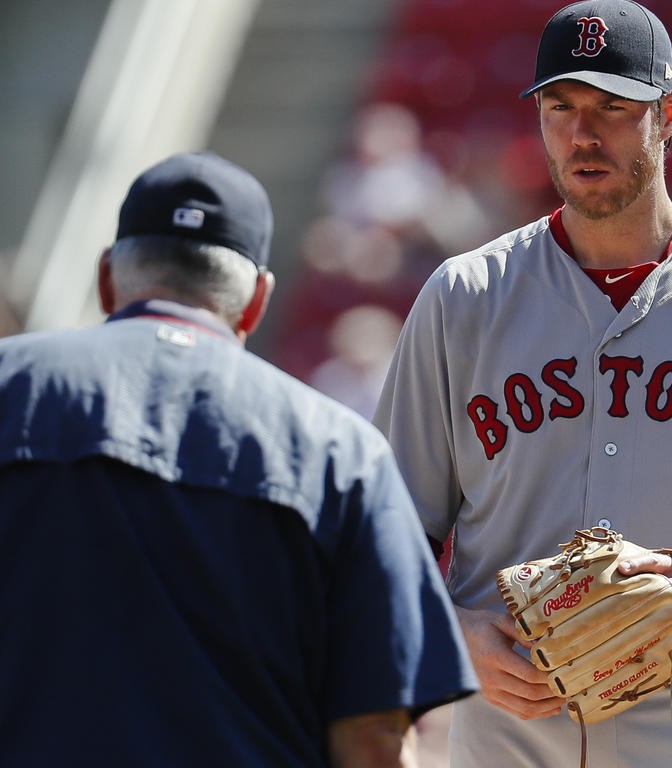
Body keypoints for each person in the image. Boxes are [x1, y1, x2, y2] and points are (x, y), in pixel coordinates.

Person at [372, 0, 672, 768]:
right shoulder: (465, 295)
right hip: (503, 739)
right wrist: (453, 633)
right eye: (559, 106)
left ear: (671, 114)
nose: (582, 134)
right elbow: (384, 542)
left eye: (614, 108)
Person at [0, 151, 478, 767]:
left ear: (107, 278)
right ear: (256, 301)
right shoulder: (342, 449)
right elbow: (375, 736)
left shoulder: (9, 383)